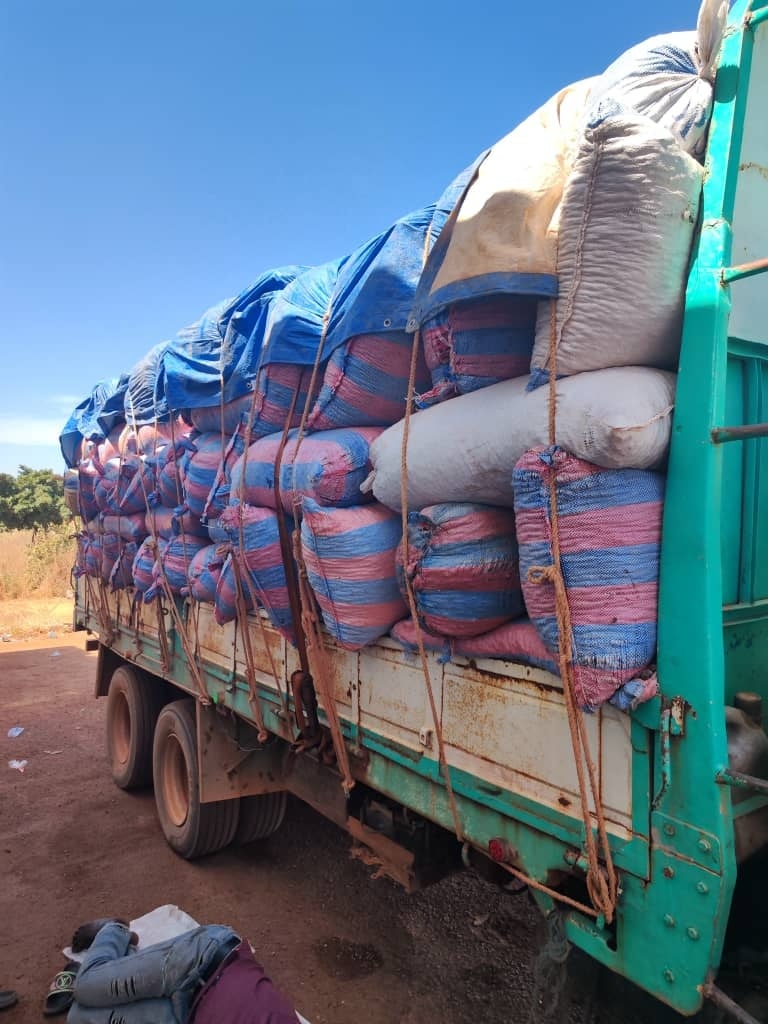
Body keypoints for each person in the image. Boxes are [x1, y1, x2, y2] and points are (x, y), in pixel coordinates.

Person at [67, 919, 299, 1024]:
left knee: (78, 1016)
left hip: (185, 1014)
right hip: (202, 961)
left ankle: (123, 957)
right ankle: (114, 929)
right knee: (84, 986)